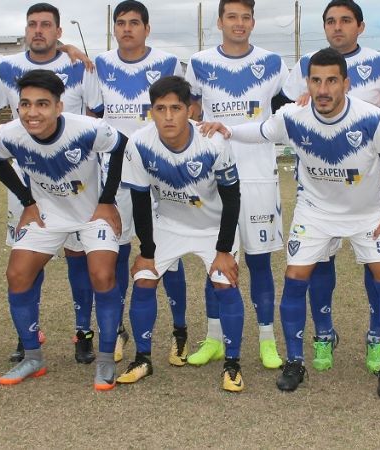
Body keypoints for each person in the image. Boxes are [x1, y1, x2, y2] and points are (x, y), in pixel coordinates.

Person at [203, 48, 380, 397]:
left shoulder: (374, 119)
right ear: (308, 83)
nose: (323, 89)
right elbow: (262, 131)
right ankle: (295, 361)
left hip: (367, 214)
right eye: (316, 80)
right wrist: (228, 130)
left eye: (331, 80)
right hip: (315, 212)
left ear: (346, 83)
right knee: (295, 277)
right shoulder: (293, 116)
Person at [282, 0, 380, 375]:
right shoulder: (307, 64)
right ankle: (323, 333)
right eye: (331, 21)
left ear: (360, 26)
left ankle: (377, 335)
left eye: (345, 21)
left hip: (367, 192)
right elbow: (286, 108)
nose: (338, 27)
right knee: (318, 262)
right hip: (320, 191)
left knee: (377, 267)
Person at [0, 69, 128, 391]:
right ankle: (33, 357)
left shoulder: (88, 129)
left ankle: (105, 360)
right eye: (25, 104)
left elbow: (121, 147)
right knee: (17, 275)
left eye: (42, 104)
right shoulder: (10, 134)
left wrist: (107, 200)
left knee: (103, 276)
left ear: (58, 107)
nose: (32, 113)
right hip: (47, 215)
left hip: (90, 214)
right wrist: (26, 200)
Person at [0, 2, 98, 364]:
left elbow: (95, 116)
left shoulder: (79, 66)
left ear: (58, 32)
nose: (38, 31)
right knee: (27, 263)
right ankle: (27, 335)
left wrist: (69, 52)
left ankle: (83, 332)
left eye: (46, 25)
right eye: (32, 24)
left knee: (79, 260)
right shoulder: (6, 69)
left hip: (77, 183)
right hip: (28, 183)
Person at [119, 75, 247, 392]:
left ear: (189, 109)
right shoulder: (139, 143)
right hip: (169, 225)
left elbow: (232, 198)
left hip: (214, 228)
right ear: (151, 111)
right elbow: (139, 200)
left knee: (224, 284)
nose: (168, 116)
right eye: (160, 109)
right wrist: (146, 251)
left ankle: (232, 364)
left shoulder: (214, 142)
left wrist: (222, 250)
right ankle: (143, 358)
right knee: (144, 280)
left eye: (175, 108)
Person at [183, 0, 287, 370]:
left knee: (259, 264)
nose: (239, 23)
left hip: (259, 176)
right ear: (220, 21)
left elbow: (288, 106)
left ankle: (267, 341)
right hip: (212, 178)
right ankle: (214, 338)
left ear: (253, 22)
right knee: (216, 262)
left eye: (245, 17)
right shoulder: (198, 63)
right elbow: (189, 110)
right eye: (232, 17)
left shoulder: (274, 62)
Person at [90, 0, 188, 366]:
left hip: (159, 172)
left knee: (169, 258)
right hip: (114, 176)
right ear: (114, 29)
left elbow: (178, 110)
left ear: (147, 28)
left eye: (134, 23)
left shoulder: (167, 63)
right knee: (117, 254)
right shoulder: (99, 65)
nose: (127, 28)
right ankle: (115, 331)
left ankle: (179, 332)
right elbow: (93, 113)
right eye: (120, 23)